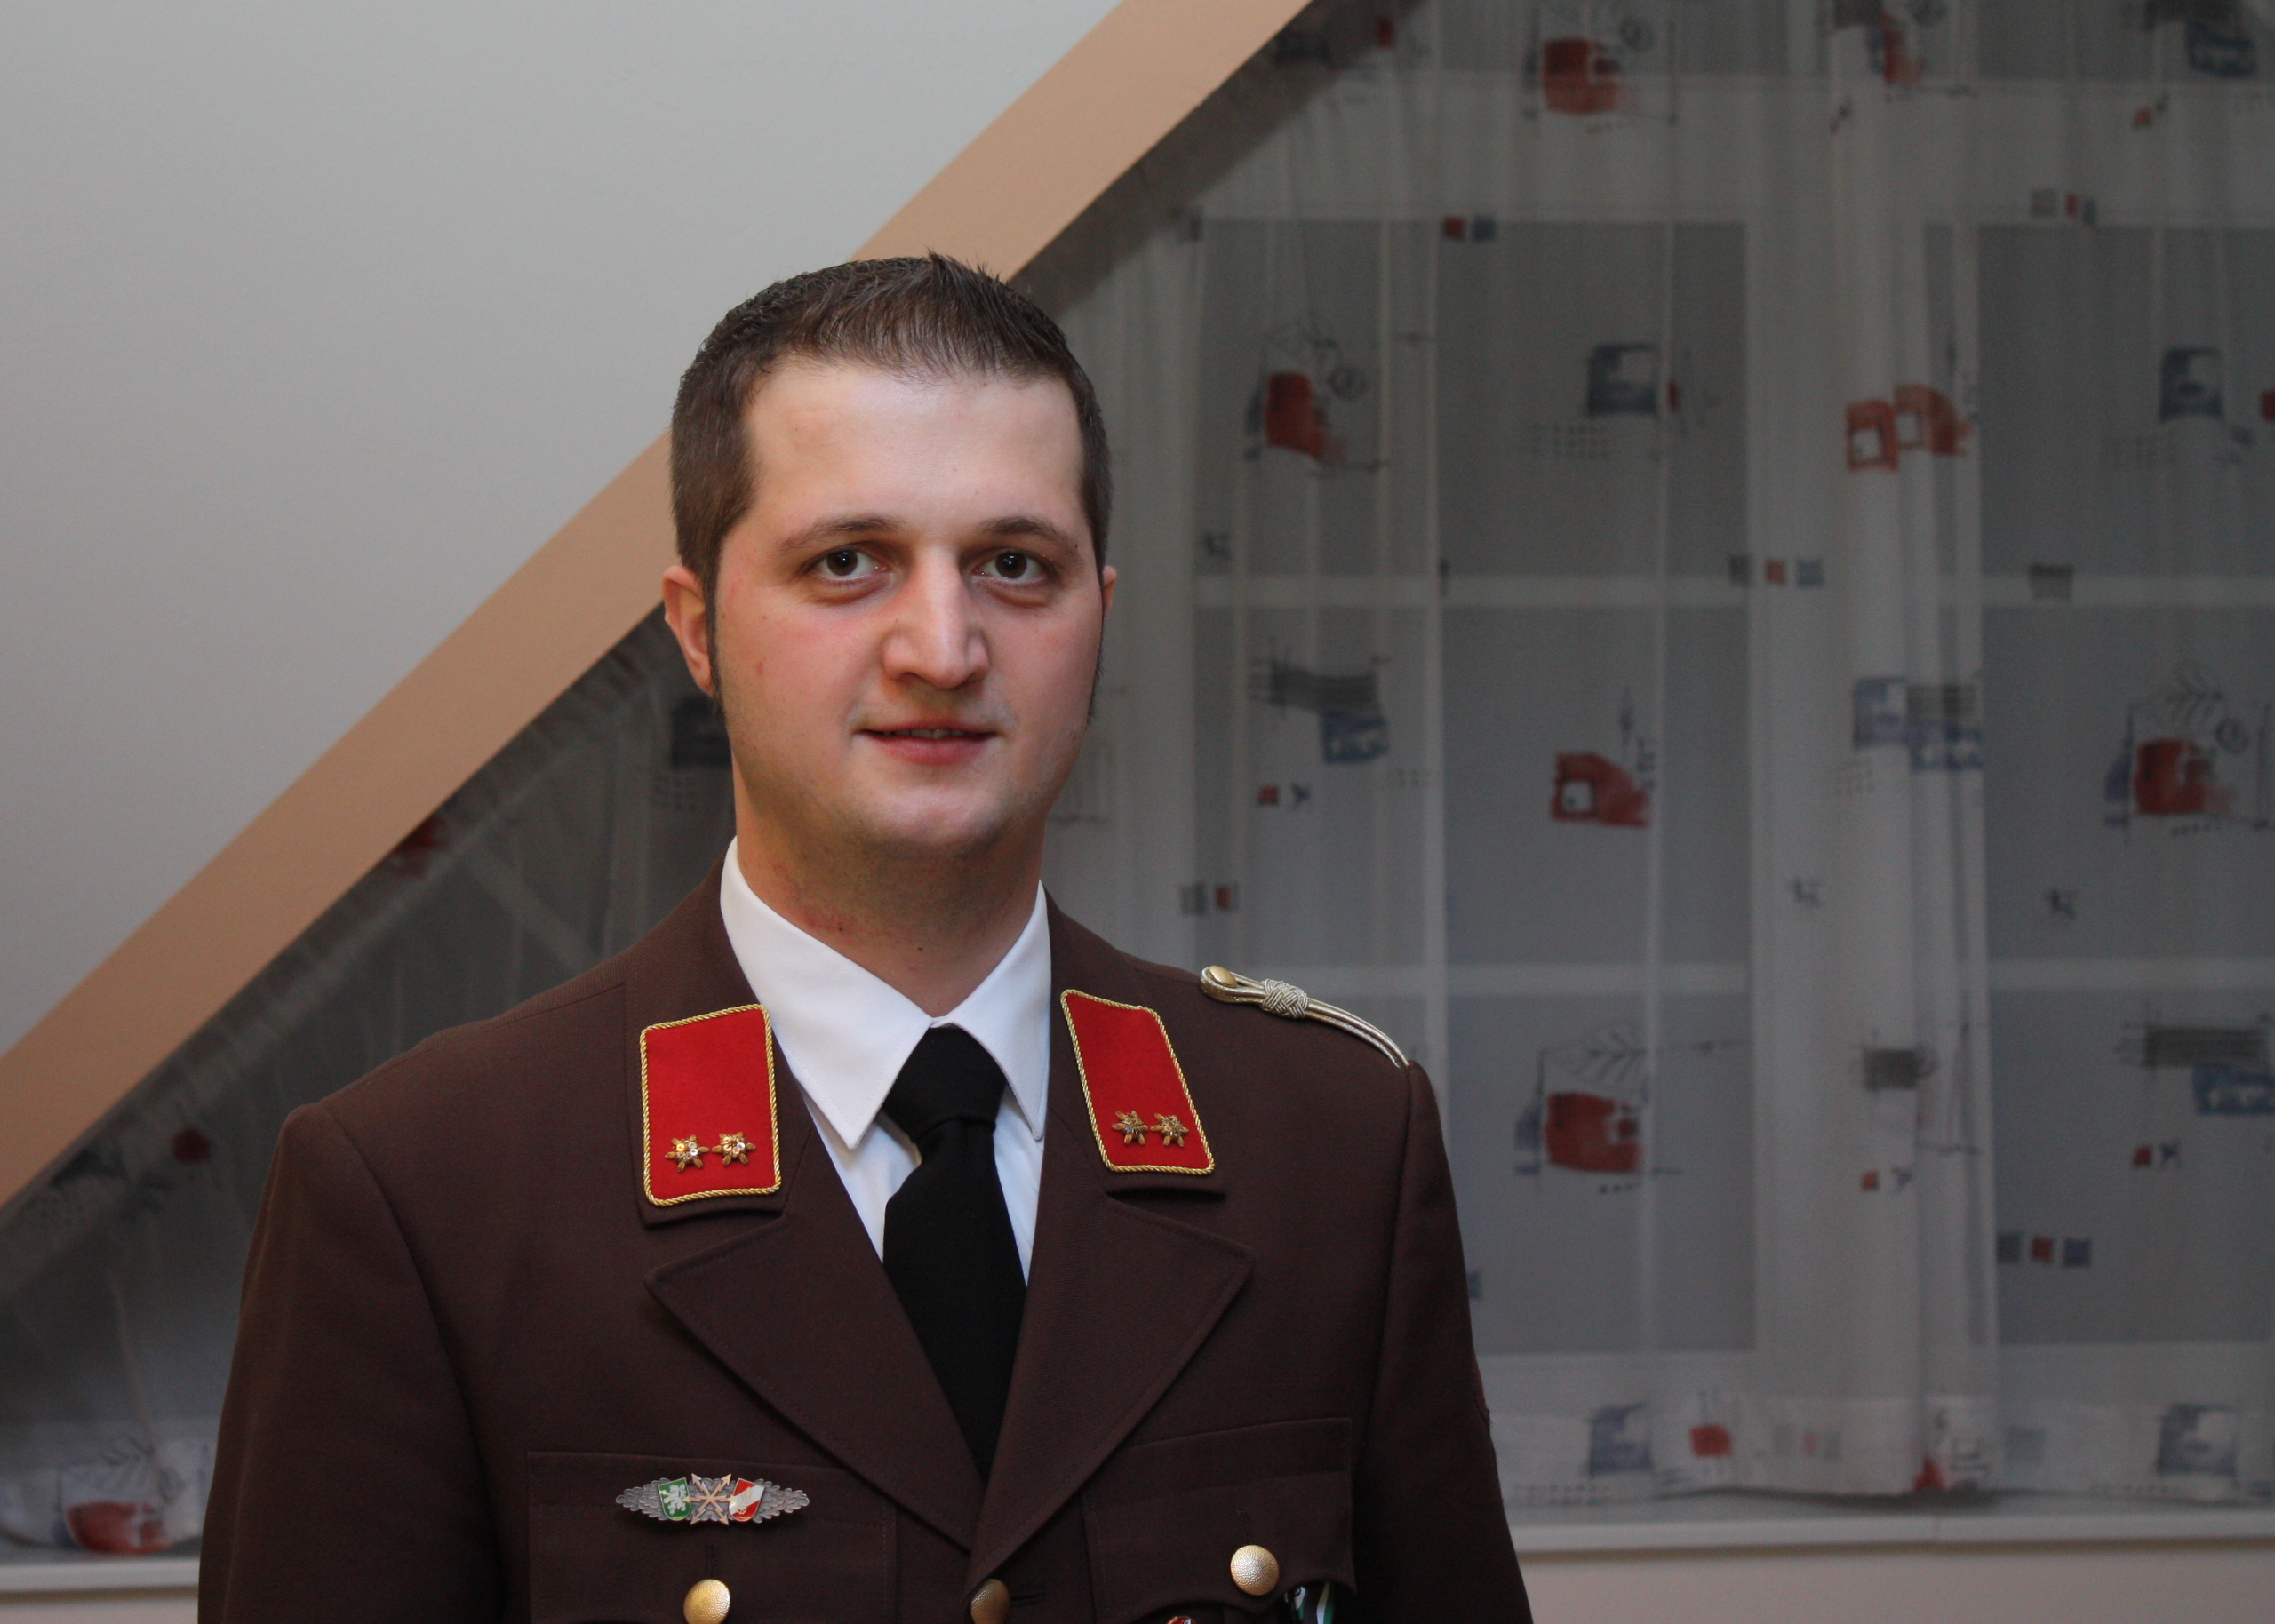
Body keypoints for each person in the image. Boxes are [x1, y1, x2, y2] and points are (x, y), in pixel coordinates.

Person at [201, 255, 1529, 1623]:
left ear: (1099, 620)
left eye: (1015, 566)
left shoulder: (1331, 1147)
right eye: (847, 563)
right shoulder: (427, 1192)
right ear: (697, 631)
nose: (942, 649)